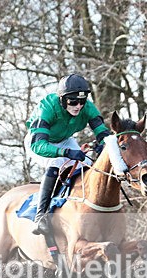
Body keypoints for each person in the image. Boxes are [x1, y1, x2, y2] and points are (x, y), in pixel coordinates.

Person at [24, 73, 112, 235]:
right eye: (73, 101)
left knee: (87, 162)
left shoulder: (87, 107)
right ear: (62, 99)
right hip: (39, 142)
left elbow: (103, 134)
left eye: (82, 101)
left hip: (65, 139)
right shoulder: (47, 108)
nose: (78, 106)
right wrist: (65, 152)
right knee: (56, 163)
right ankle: (41, 216)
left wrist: (103, 146)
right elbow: (39, 145)